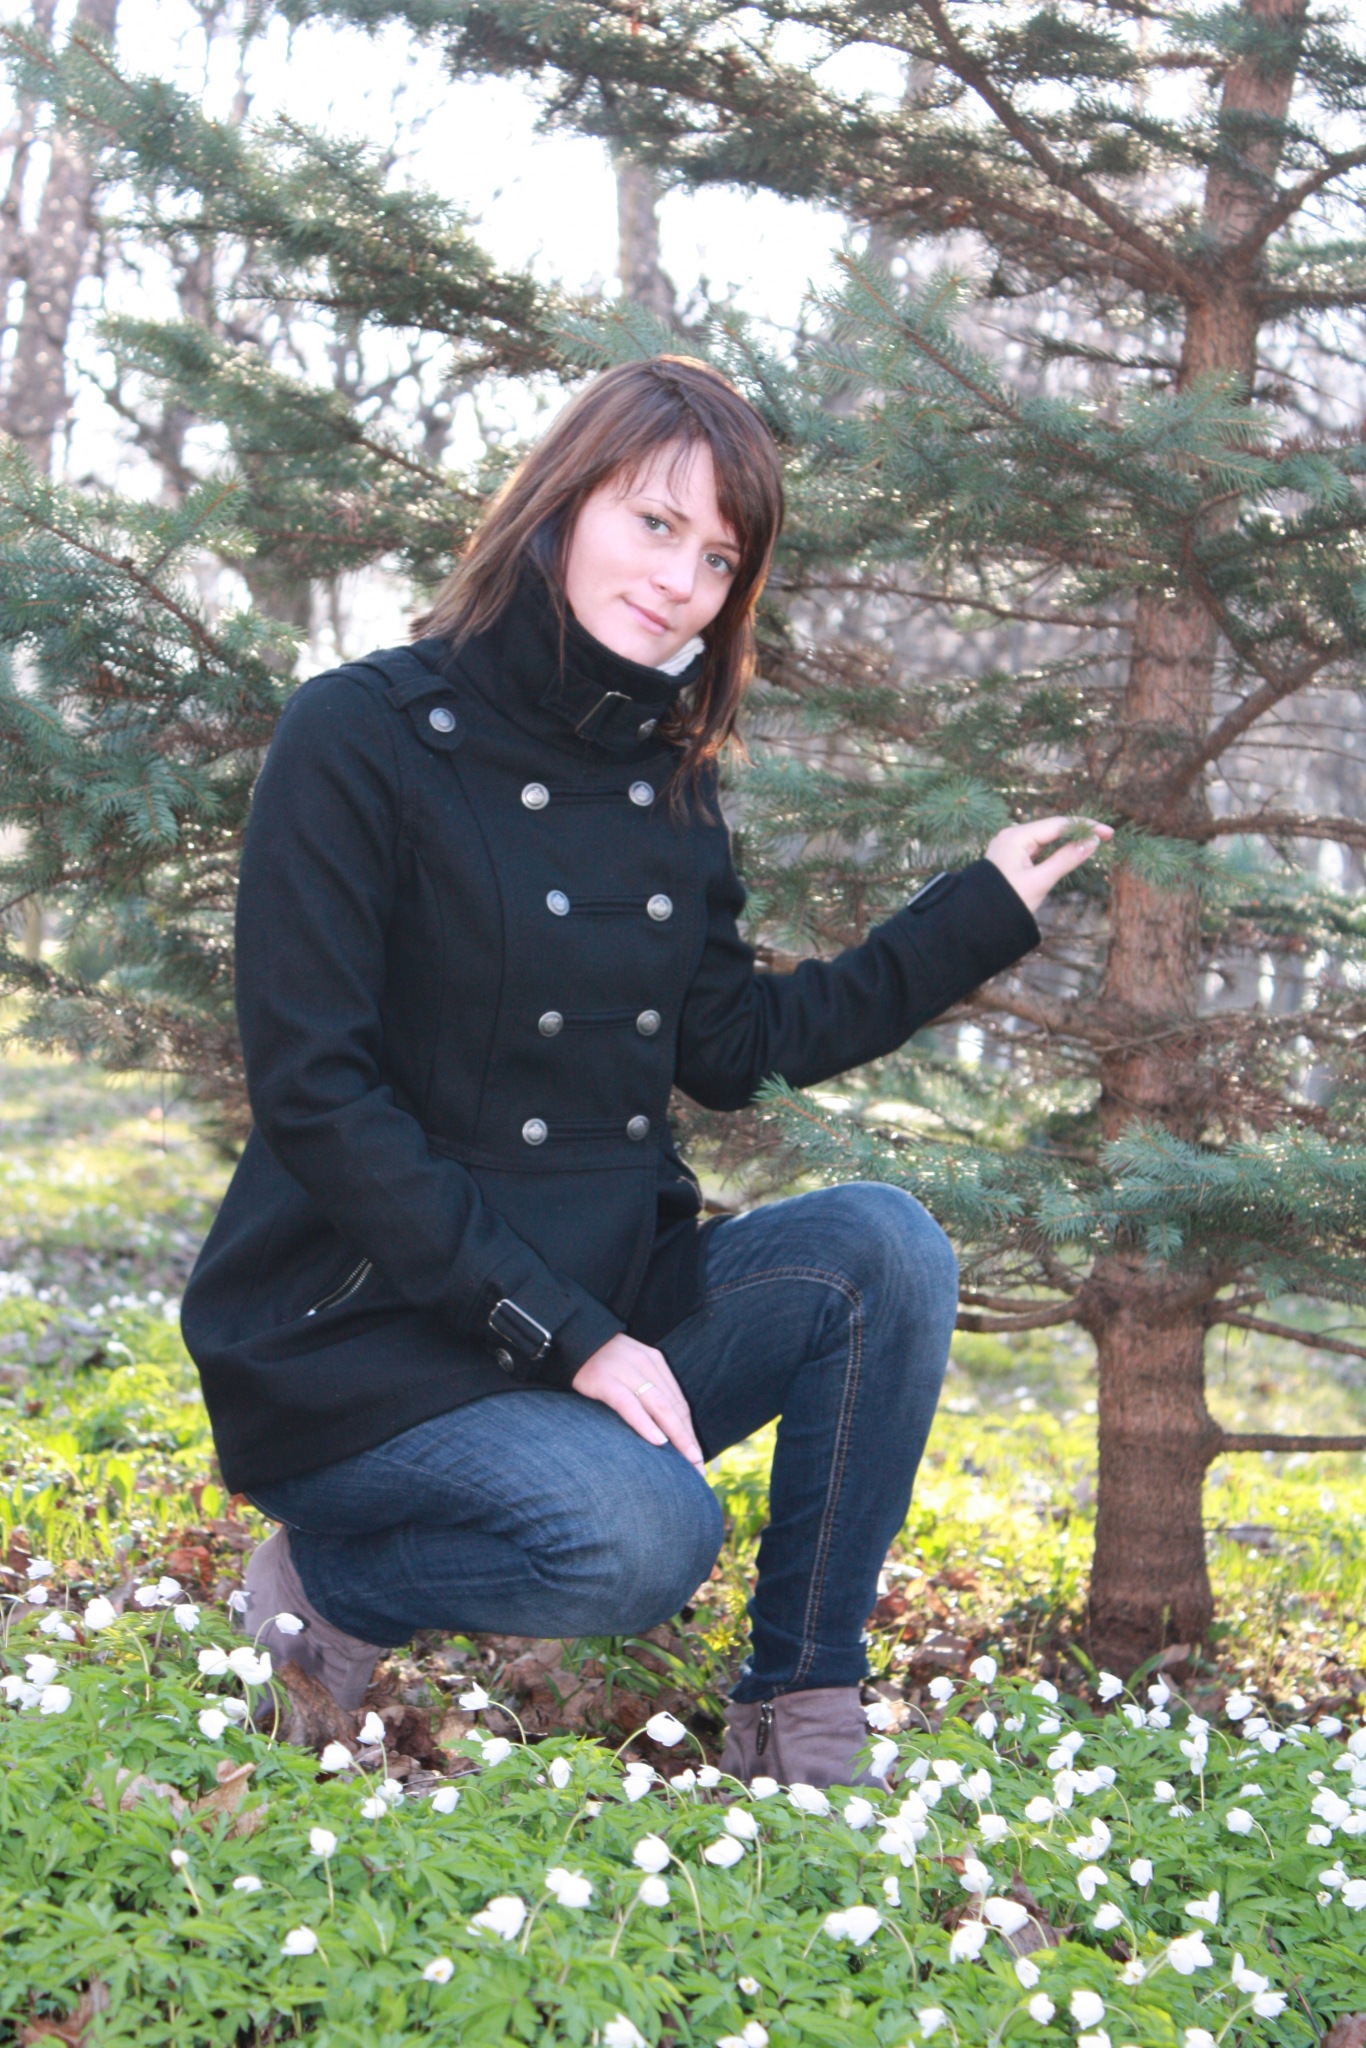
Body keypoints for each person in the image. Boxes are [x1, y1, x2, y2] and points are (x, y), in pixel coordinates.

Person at [181, 355, 1108, 1788]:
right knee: (642, 1540)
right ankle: (331, 1585)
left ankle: (802, 1711)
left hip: (593, 1298)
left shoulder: (666, 776)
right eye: (656, 523)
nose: (683, 581)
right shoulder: (360, 731)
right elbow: (316, 1092)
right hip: (364, 1335)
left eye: (720, 557)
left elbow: (733, 1049)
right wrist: (569, 1336)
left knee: (882, 1249)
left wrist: (966, 919)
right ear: (562, 504)